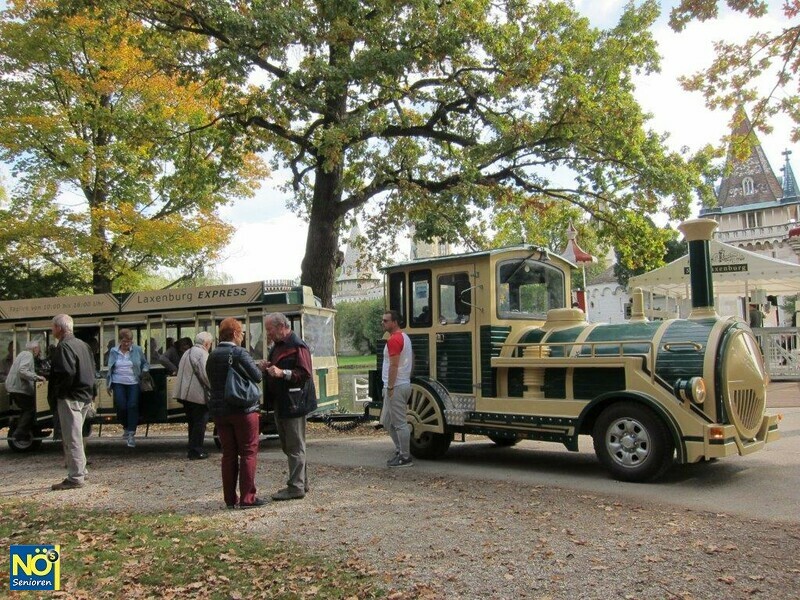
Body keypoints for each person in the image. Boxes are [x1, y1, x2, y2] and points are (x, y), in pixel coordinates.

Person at [206, 317, 264, 509]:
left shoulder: (212, 355)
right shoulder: (239, 353)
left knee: (228, 454)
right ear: (234, 334)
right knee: (248, 452)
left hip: (220, 412)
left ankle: (230, 499)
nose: (242, 337)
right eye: (241, 333)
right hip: (242, 409)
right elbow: (256, 376)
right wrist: (259, 367)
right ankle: (248, 498)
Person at [262, 312, 313, 501]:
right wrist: (267, 367)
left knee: (294, 446)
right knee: (289, 445)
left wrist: (282, 372)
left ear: (282, 326)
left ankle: (296, 487)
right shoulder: (278, 346)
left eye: (270, 329)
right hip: (282, 402)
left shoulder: (297, 346)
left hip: (294, 403)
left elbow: (305, 373)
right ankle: (301, 482)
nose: (268, 333)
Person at [48, 314, 96, 491]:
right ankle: (80, 470)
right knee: (77, 434)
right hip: (84, 395)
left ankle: (76, 477)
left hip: (71, 397)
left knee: (72, 436)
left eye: (53, 327)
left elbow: (66, 373)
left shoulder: (64, 347)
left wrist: (59, 393)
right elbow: (92, 369)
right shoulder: (83, 345)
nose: (52, 330)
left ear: (59, 328)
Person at [106, 329, 150, 448]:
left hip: (133, 382)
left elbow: (145, 363)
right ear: (120, 340)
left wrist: (144, 371)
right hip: (118, 381)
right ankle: (125, 425)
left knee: (132, 405)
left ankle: (131, 433)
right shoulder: (114, 351)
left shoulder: (137, 350)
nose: (127, 344)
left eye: (129, 341)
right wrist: (108, 384)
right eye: (125, 341)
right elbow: (110, 368)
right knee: (121, 405)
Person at [381, 310, 414, 467]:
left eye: (386, 321)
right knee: (387, 421)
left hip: (396, 385)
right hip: (402, 383)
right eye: (383, 320)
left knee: (400, 423)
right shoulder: (405, 338)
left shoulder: (394, 340)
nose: (383, 323)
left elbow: (393, 365)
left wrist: (391, 386)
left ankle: (405, 456)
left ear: (394, 322)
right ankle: (400, 450)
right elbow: (411, 359)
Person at [174, 332, 213, 459]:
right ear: (206, 343)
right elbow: (206, 375)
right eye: (210, 344)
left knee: (192, 422)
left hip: (185, 394)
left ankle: (192, 448)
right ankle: (196, 450)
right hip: (196, 395)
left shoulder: (187, 352)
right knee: (200, 422)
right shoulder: (202, 354)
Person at [4, 341, 47, 443]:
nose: (39, 351)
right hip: (18, 389)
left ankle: (24, 430)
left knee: (26, 409)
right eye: (39, 349)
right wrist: (36, 377)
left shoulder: (22, 354)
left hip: (14, 387)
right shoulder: (28, 355)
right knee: (31, 409)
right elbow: (22, 371)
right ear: (35, 348)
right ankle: (19, 434)